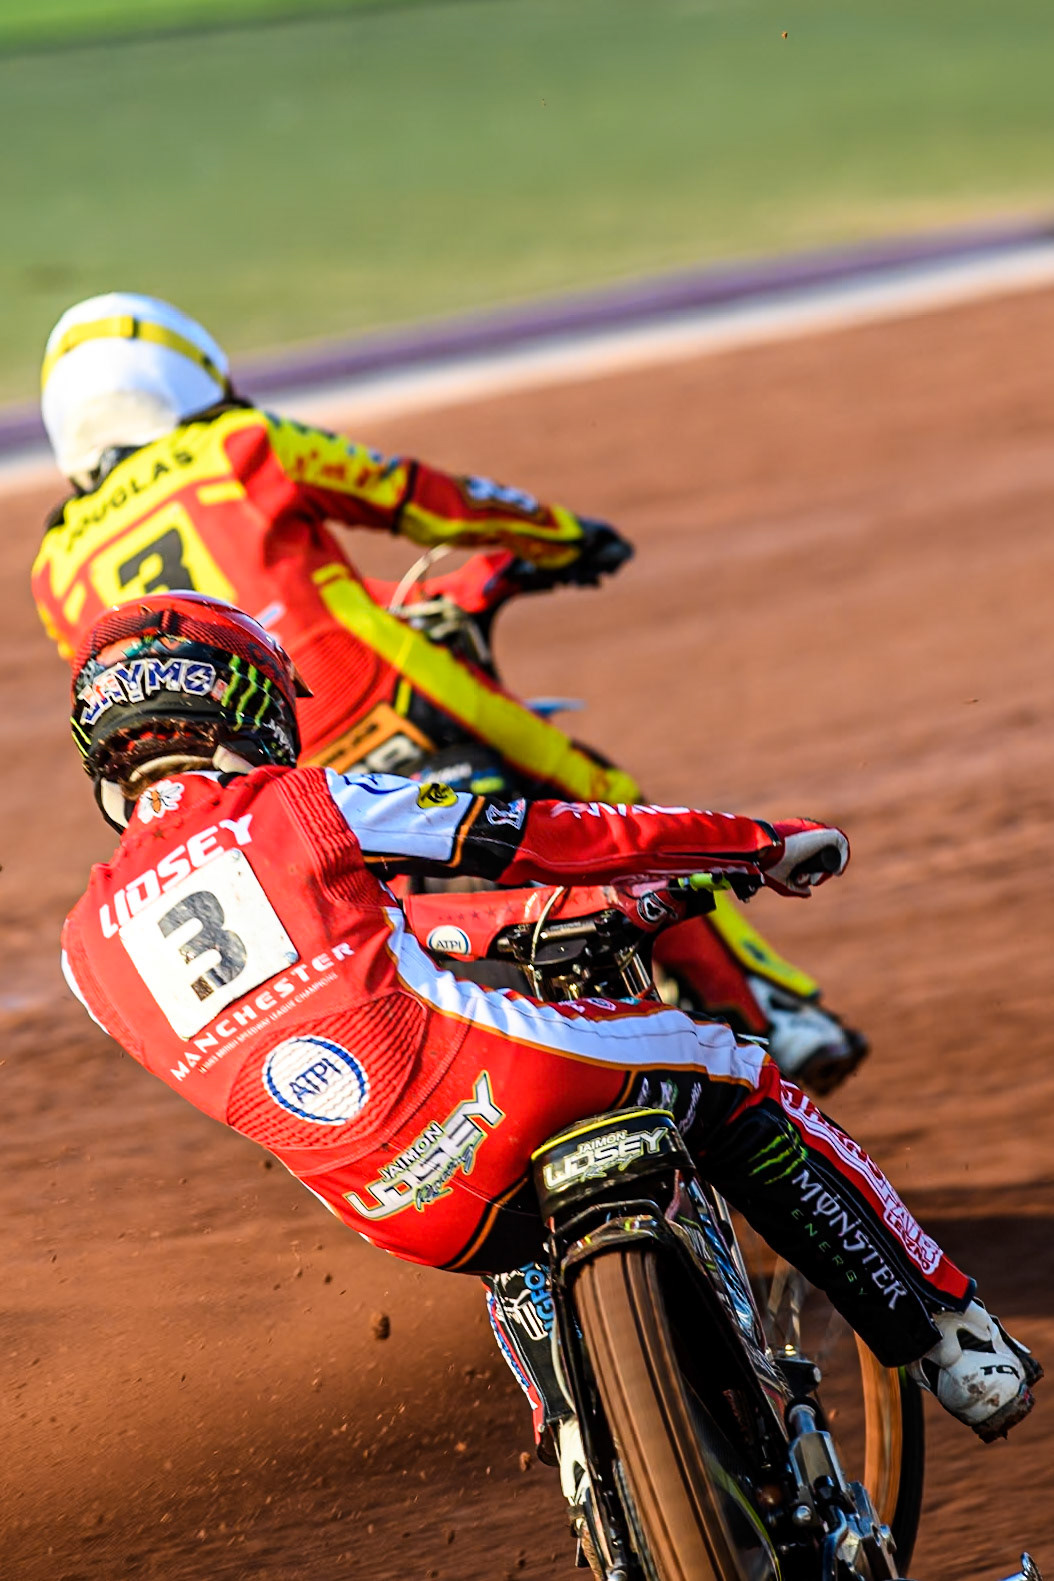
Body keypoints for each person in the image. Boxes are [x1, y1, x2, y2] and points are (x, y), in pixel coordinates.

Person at [60, 592, 1039, 1475]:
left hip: (397, 1209)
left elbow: (376, 942)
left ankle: (582, 1457)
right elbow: (539, 837)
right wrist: (756, 843)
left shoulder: (84, 947)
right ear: (247, 704)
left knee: (513, 1244)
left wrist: (514, 921)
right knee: (735, 1072)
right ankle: (951, 1342)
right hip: (505, 1081)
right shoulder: (294, 802)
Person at [35, 292, 864, 1093]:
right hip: (387, 699)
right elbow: (424, 497)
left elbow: (161, 662)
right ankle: (770, 1013)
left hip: (261, 781)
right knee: (600, 799)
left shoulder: (56, 566)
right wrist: (563, 534)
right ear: (184, 376)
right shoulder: (239, 446)